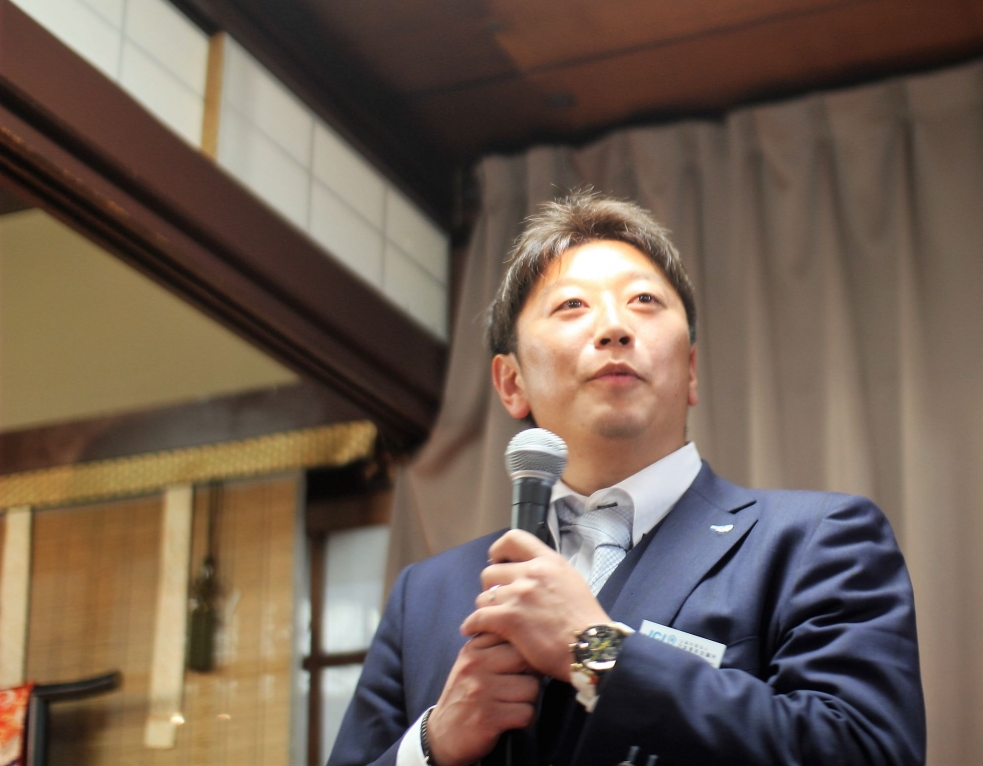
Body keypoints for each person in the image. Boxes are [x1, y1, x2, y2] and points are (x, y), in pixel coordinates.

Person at [328, 190, 925, 766]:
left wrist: (597, 650)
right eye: (572, 306)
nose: (614, 328)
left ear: (690, 369)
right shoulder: (426, 594)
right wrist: (433, 743)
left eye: (644, 300)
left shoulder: (816, 539)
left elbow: (865, 749)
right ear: (512, 382)